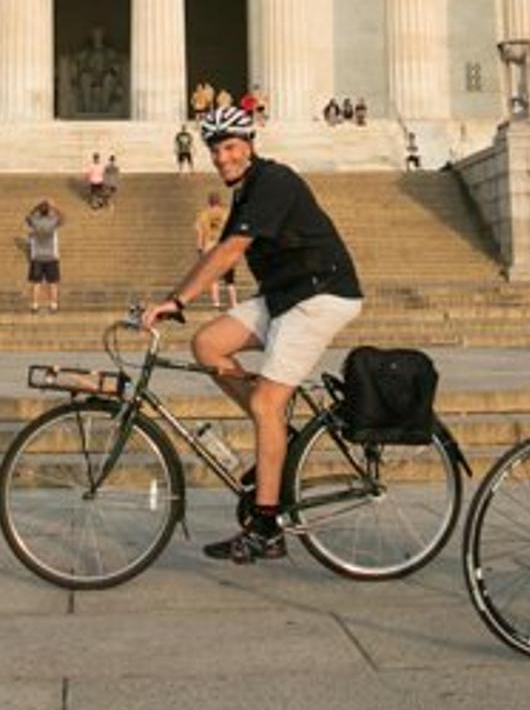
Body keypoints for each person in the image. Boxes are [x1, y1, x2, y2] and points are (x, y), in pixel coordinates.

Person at [140, 106, 363, 564]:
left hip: (321, 292)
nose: (222, 158)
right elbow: (225, 250)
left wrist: (176, 301)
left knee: (264, 402)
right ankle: (277, 431)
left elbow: (231, 251)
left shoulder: (274, 181)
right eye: (216, 150)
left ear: (250, 145)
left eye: (230, 147)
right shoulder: (245, 191)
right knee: (208, 344)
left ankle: (266, 528)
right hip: (285, 295)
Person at [194, 192, 235, 310]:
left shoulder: (203, 214)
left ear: (209, 202)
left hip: (209, 247)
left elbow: (199, 233)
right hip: (225, 247)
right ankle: (233, 302)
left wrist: (199, 249)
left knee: (213, 277)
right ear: (219, 201)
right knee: (230, 278)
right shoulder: (226, 213)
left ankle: (216, 302)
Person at [24, 200, 63, 313]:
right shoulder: (52, 221)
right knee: (53, 283)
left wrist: (36, 207)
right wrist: (55, 207)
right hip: (51, 256)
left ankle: (35, 305)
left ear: (39, 211)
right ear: (48, 211)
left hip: (37, 256)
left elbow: (28, 217)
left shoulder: (35, 221)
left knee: (36, 283)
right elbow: (63, 218)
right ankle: (54, 305)